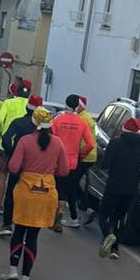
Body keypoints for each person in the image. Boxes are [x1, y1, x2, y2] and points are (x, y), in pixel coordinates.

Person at [1, 107, 69, 280]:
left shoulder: (25, 141)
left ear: (34, 122)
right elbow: (64, 171)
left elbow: (13, 167)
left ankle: (12, 270)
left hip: (26, 191)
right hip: (46, 192)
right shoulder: (58, 143)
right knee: (33, 236)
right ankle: (26, 278)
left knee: (19, 232)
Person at [98, 117, 140, 260]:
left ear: (124, 129)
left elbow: (105, 164)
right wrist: (139, 174)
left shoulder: (115, 143)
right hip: (130, 189)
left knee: (103, 214)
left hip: (113, 186)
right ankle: (115, 249)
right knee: (117, 217)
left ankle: (108, 235)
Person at [0, 93, 41, 238]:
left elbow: (6, 138)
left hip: (18, 164)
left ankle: (7, 223)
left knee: (12, 192)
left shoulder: (18, 122)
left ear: (27, 108)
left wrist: (12, 152)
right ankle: (26, 224)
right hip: (36, 168)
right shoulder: (43, 129)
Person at [51, 94, 95, 228]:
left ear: (65, 104)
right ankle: (61, 212)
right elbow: (90, 144)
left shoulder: (58, 120)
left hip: (58, 160)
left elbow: (51, 137)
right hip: (72, 161)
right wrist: (81, 155)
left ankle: (54, 215)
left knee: (57, 188)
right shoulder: (82, 122)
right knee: (67, 186)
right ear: (77, 106)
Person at [0, 83, 32, 217]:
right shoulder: (31, 106)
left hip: (6, 145)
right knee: (19, 178)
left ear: (16, 92)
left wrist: (3, 132)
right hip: (25, 149)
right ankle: (15, 208)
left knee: (2, 173)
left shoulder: (8, 103)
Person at [75, 95, 99, 221]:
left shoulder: (82, 118)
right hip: (90, 154)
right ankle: (83, 202)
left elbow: (85, 141)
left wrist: (80, 155)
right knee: (76, 179)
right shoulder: (86, 117)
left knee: (73, 180)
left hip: (85, 154)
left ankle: (82, 204)